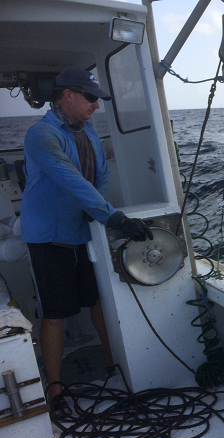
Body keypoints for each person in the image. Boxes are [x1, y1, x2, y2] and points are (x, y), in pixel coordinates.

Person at [21, 67, 153, 417]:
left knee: (97, 301)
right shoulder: (41, 135)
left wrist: (101, 216)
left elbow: (100, 178)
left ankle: (114, 366)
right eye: (91, 97)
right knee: (55, 313)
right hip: (49, 238)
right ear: (68, 96)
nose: (96, 105)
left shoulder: (90, 132)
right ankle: (55, 389)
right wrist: (116, 219)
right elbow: (72, 181)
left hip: (83, 233)